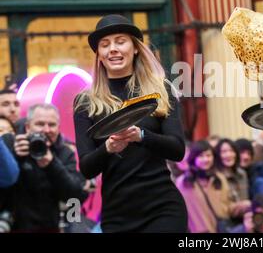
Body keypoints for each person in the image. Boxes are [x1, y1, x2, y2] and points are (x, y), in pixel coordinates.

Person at [73, 14, 188, 233]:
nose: (113, 49)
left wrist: (141, 136)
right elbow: (87, 168)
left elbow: (177, 149)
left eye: (120, 41)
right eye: (105, 45)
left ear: (135, 48)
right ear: (99, 55)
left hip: (162, 209)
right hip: (117, 214)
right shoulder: (85, 102)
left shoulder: (161, 90)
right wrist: (108, 148)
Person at [2, 103, 87, 232]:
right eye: (40, 124)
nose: (46, 130)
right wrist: (14, 156)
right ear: (28, 127)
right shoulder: (11, 143)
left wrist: (51, 163)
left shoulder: (65, 153)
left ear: (58, 128)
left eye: (52, 125)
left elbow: (75, 197)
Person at [176, 140, 233, 233]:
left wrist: (244, 207)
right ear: (193, 158)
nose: (206, 159)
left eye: (208, 155)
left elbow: (228, 206)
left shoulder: (219, 178)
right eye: (201, 156)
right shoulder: (183, 182)